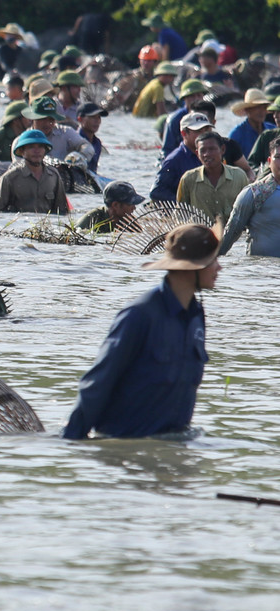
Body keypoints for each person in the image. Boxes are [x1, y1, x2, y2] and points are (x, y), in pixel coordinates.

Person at [63, 221, 220, 439]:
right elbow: (98, 382)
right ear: (192, 267)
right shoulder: (139, 315)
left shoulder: (196, 315)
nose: (219, 267)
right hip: (126, 449)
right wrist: (70, 441)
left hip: (172, 445)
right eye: (213, 260)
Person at [221, 140, 280, 257]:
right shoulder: (255, 193)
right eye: (278, 157)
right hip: (261, 271)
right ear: (269, 161)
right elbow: (231, 232)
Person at [0, 130, 69, 214]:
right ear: (22, 151)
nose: (37, 151)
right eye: (31, 147)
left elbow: (62, 210)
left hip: (46, 225)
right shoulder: (9, 178)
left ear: (45, 150)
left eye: (40, 147)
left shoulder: (53, 176)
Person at [177, 131, 247, 221]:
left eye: (212, 149)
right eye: (203, 150)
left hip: (233, 233)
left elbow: (248, 210)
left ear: (222, 150)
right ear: (197, 153)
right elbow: (181, 213)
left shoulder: (239, 176)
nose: (207, 154)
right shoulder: (188, 179)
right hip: (202, 233)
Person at [151, 112, 212, 202]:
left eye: (206, 130)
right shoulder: (174, 160)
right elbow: (156, 192)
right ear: (184, 133)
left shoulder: (213, 154)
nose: (204, 135)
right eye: (198, 131)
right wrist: (184, 203)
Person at [77, 181, 146, 234]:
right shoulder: (91, 220)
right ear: (115, 205)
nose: (134, 208)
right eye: (129, 204)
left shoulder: (129, 221)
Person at [228, 89, 274, 159]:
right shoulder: (237, 134)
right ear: (247, 110)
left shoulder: (272, 129)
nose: (261, 111)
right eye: (257, 107)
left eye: (264, 107)